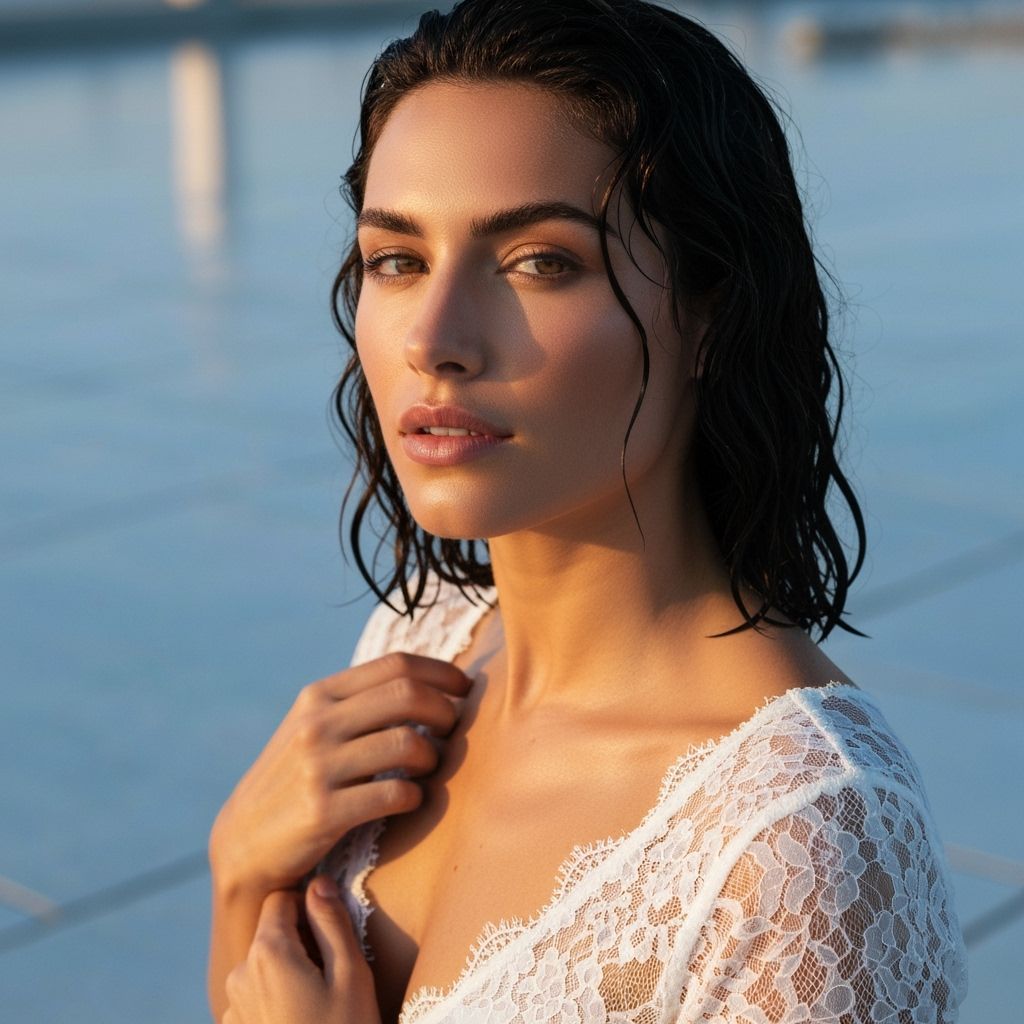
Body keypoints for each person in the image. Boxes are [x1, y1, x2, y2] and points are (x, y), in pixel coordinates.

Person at [207, 1, 969, 1021]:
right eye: (399, 260)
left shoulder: (799, 846)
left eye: (540, 262)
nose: (434, 339)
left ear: (711, 310)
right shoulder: (422, 638)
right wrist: (239, 873)